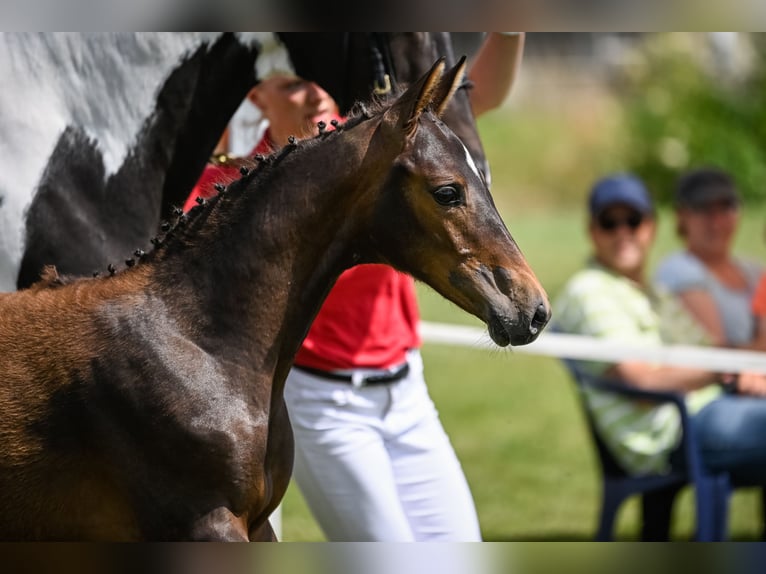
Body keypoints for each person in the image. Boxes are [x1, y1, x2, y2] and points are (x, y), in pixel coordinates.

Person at [184, 32, 525, 539]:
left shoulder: (377, 151)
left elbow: (482, 97)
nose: (318, 93)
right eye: (297, 83)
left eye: (324, 80)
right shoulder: (227, 191)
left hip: (407, 391)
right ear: (255, 96)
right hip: (322, 404)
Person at [553, 173, 766, 483]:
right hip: (674, 433)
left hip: (707, 410)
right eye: (609, 223)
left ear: (651, 227)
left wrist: (741, 374)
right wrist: (724, 370)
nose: (623, 232)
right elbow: (641, 383)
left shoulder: (655, 293)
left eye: (634, 220)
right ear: (592, 231)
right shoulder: (589, 289)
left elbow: (708, 352)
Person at [654, 168, 763, 349]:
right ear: (682, 216)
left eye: (726, 208)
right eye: (705, 210)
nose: (717, 222)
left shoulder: (754, 269)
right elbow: (716, 356)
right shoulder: (678, 270)